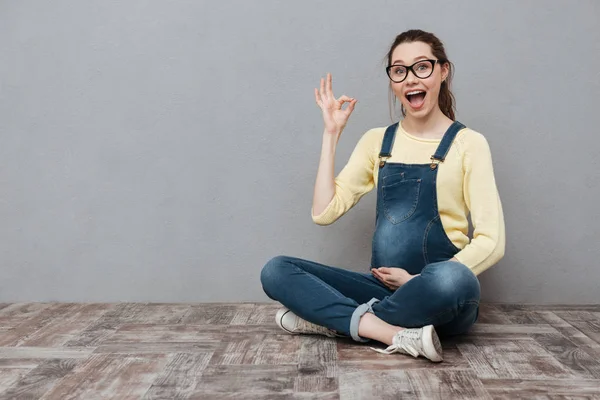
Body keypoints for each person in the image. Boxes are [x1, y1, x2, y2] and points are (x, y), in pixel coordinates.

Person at [260, 29, 505, 362]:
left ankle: (337, 321)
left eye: (422, 67)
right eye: (399, 70)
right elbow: (324, 212)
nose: (410, 79)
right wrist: (331, 135)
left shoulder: (469, 144)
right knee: (276, 270)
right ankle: (391, 333)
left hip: (441, 295)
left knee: (453, 278)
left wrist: (416, 281)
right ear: (392, 80)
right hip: (382, 289)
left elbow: (492, 241)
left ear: (443, 71)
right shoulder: (378, 142)